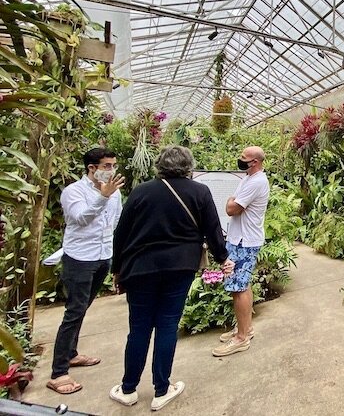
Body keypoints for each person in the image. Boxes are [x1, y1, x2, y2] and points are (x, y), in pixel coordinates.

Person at [109, 146, 234, 411]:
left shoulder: (141, 191)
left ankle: (128, 389)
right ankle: (161, 390)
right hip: (180, 268)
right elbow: (212, 229)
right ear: (189, 166)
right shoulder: (199, 191)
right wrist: (223, 258)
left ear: (159, 165)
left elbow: (121, 233)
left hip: (140, 268)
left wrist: (117, 268)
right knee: (167, 325)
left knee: (139, 328)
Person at [46, 148, 125, 395]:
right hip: (80, 258)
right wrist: (102, 197)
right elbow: (80, 218)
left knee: (83, 307)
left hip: (103, 256)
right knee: (74, 311)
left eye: (113, 165)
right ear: (92, 168)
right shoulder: (73, 192)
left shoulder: (115, 192)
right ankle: (58, 373)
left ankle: (70, 354)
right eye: (107, 165)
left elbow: (115, 222)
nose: (111, 170)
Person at [211, 146, 269, 357]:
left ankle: (241, 338)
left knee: (238, 287)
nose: (240, 160)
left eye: (244, 158)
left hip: (244, 241)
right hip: (240, 238)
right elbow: (234, 203)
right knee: (242, 285)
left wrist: (230, 201)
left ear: (255, 162)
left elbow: (231, 208)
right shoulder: (248, 178)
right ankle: (246, 328)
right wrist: (232, 200)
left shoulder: (257, 182)